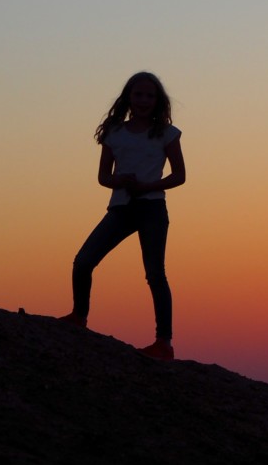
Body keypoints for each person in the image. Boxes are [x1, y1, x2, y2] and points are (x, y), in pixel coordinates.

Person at [58, 71, 186, 360]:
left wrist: (149, 185)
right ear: (129, 97)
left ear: (158, 100)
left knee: (155, 273)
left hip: (152, 207)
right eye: (138, 94)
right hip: (121, 207)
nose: (143, 100)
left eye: (149, 96)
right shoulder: (114, 132)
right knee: (84, 261)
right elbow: (104, 176)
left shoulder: (166, 133)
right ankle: (79, 316)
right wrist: (120, 180)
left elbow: (179, 175)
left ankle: (163, 342)